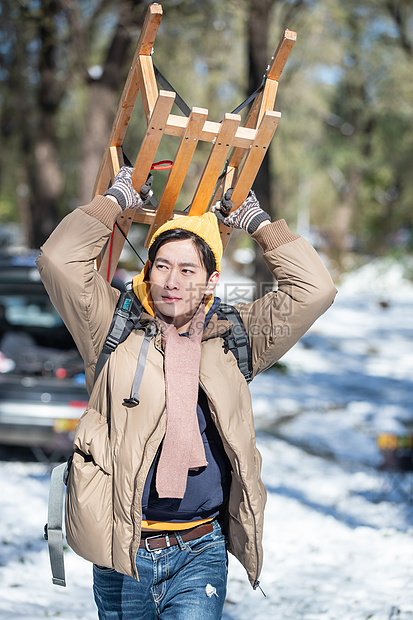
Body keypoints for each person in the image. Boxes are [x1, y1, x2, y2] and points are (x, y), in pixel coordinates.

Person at [36, 166, 336, 619]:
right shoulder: (111, 325)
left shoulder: (236, 334)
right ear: (148, 271)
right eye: (162, 266)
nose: (172, 281)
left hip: (200, 550)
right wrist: (116, 198)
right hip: (124, 550)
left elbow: (315, 290)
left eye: (188, 269)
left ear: (211, 282)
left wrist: (258, 223)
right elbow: (59, 261)